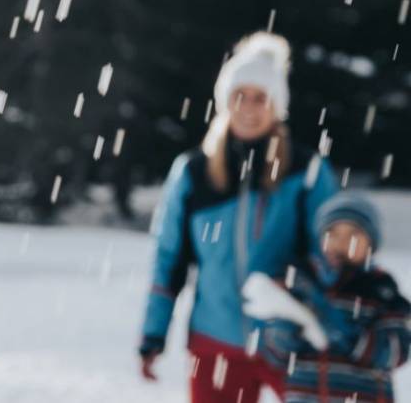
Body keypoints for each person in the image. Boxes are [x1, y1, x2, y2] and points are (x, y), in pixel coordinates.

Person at [139, 31, 339, 402]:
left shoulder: (306, 171)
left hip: (290, 340)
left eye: (260, 98)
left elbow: (330, 252)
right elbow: (169, 258)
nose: (248, 107)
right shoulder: (192, 172)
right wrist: (153, 334)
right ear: (224, 101)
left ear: (276, 105)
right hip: (215, 340)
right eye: (239, 96)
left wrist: (297, 285)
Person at [243, 190, 411, 402]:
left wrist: (349, 337)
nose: (342, 243)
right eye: (333, 234)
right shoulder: (303, 284)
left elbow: (396, 353)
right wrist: (283, 335)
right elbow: (277, 357)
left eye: (353, 235)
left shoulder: (380, 290)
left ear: (371, 242)